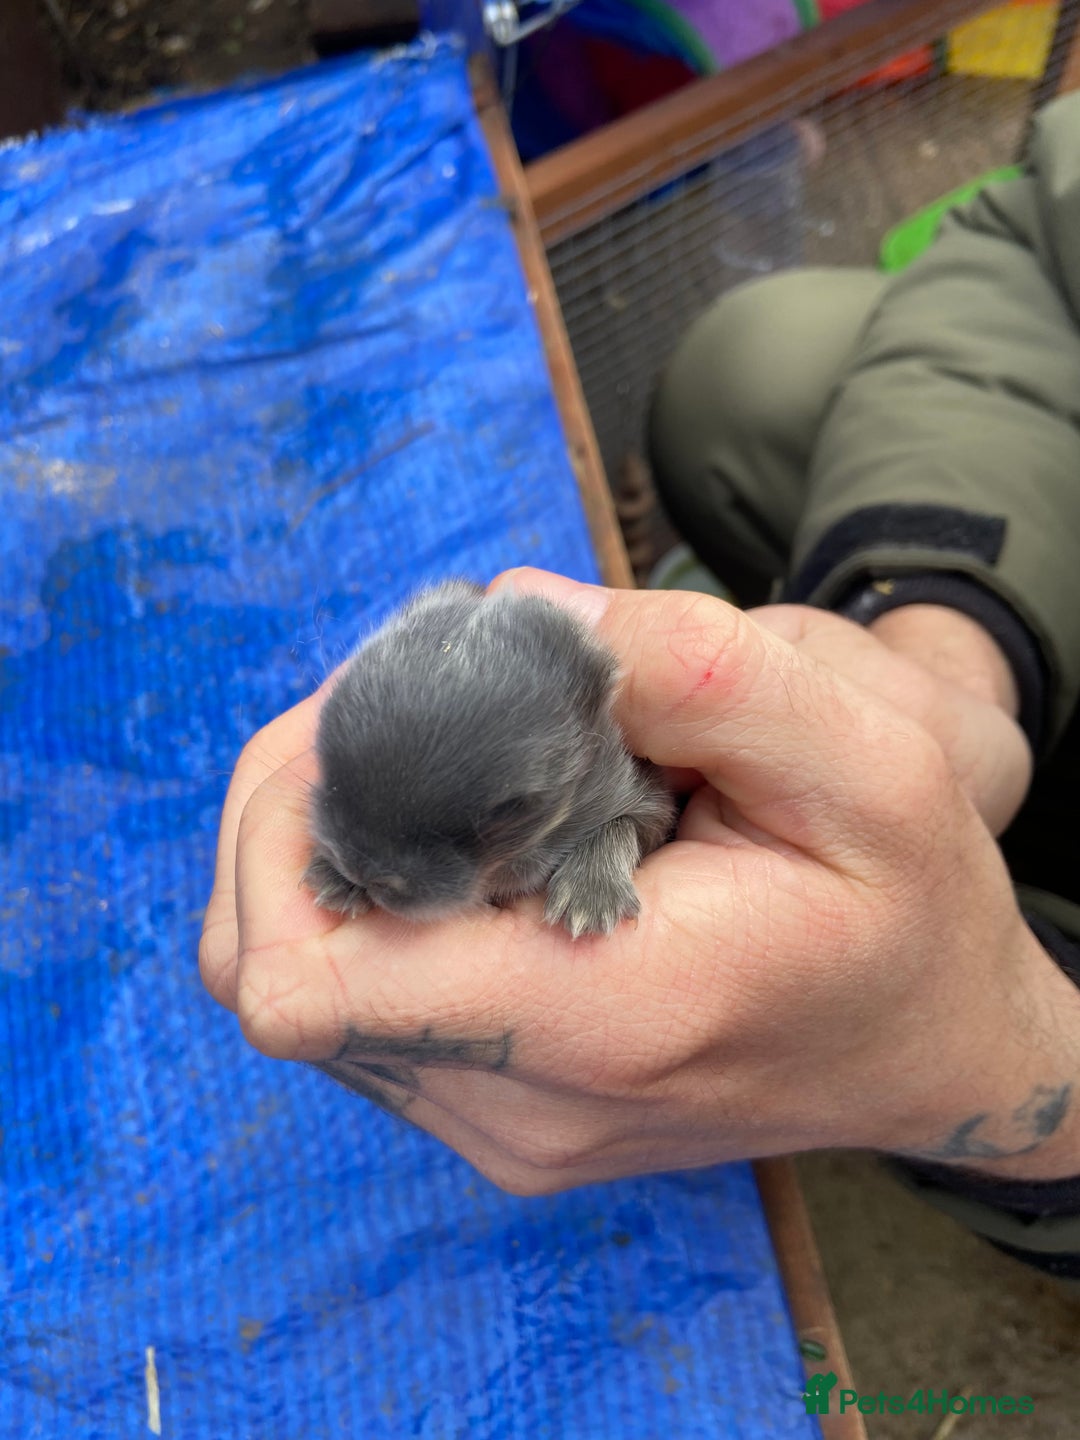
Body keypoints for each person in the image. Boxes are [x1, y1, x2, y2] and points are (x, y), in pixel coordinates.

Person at [200, 93, 1080, 1289]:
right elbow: (1034, 243)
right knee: (749, 371)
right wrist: (957, 653)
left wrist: (1001, 1061)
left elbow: (623, 815)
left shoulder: (592, 777)